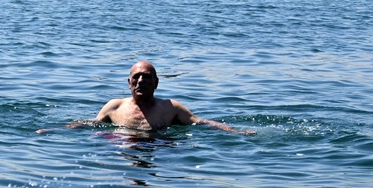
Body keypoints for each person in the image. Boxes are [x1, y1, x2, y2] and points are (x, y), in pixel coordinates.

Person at [88, 61, 254, 135]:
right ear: (129, 83)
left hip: (158, 148)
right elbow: (92, 124)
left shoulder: (171, 107)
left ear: (156, 83)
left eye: (146, 77)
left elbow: (200, 123)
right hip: (123, 149)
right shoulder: (114, 106)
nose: (141, 81)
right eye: (136, 77)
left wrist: (236, 131)